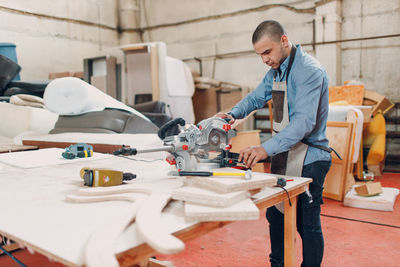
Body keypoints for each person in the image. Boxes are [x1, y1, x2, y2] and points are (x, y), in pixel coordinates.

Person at [216, 20, 332, 267]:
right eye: (260, 55)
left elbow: (303, 124)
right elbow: (256, 97)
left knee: (306, 223)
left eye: (267, 52)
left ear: (284, 40)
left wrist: (264, 149)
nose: (265, 60)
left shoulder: (309, 71)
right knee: (276, 216)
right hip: (285, 154)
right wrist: (232, 115)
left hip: (310, 157)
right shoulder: (278, 71)